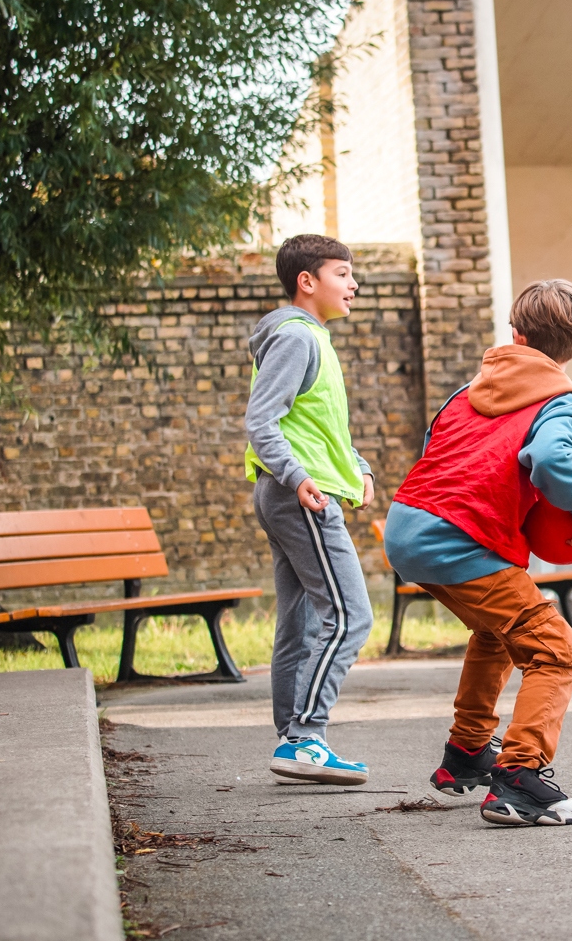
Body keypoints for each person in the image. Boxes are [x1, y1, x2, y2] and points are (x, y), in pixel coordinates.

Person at [384, 280, 572, 827]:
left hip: (407, 525)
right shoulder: (561, 402)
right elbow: (551, 458)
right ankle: (520, 780)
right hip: (460, 539)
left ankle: (466, 750)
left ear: (515, 335)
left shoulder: (466, 392)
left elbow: (434, 449)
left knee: (497, 631)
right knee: (554, 648)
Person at [245, 234, 377, 785]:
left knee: (300, 624)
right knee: (351, 615)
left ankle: (293, 740)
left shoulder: (312, 338)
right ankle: (305, 735)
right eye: (342, 274)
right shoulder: (297, 337)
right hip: (301, 494)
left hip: (293, 491)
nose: (353, 284)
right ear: (308, 281)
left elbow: (319, 425)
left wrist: (359, 464)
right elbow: (261, 420)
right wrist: (298, 477)